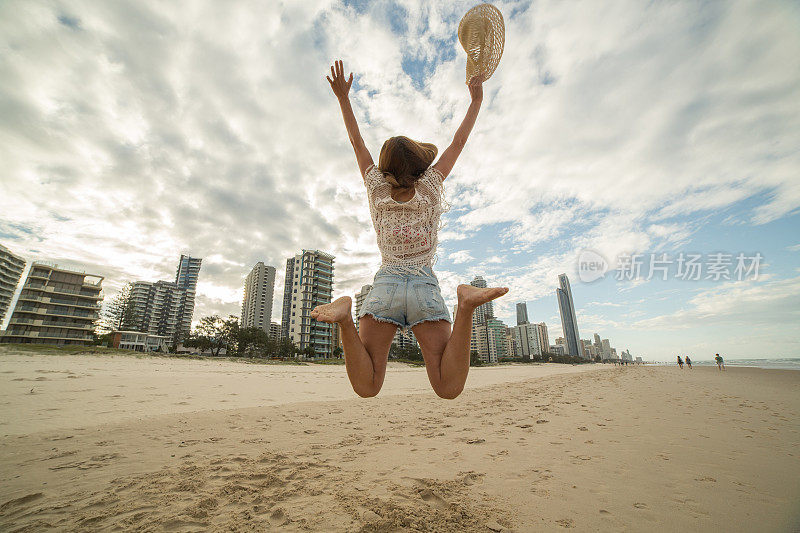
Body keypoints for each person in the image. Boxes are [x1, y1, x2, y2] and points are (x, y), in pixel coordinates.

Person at [311, 60, 508, 399]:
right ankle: (465, 306)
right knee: (448, 387)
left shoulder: (377, 190)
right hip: (423, 285)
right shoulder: (431, 186)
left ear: (385, 165)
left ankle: (345, 318)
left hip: (385, 284)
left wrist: (344, 98)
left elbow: (357, 143)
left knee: (368, 387)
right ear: (420, 163)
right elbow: (458, 143)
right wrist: (475, 100)